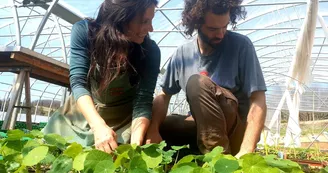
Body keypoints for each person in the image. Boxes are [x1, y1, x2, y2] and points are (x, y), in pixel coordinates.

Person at [145, 0, 267, 157]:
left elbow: (258, 100)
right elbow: (163, 95)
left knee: (197, 83)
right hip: (201, 129)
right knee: (162, 125)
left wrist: (246, 150)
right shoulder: (182, 54)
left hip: (235, 133)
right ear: (196, 23)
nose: (221, 34)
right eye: (213, 29)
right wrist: (153, 129)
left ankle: (219, 160)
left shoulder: (241, 46)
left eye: (225, 26)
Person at [42, 0, 160, 153]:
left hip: (124, 118)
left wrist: (135, 146)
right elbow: (78, 82)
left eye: (151, 21)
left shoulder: (151, 51)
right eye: (144, 21)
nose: (150, 28)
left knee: (120, 153)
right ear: (121, 17)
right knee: (54, 148)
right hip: (83, 114)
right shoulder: (84, 31)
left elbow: (143, 101)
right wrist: (98, 127)